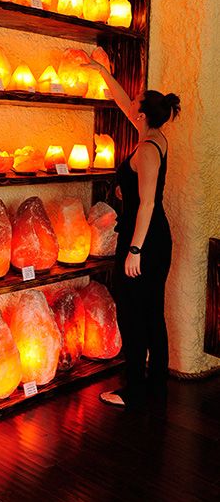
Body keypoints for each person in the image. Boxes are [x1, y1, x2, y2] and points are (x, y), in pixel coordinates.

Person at [82, 58, 180, 409]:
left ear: (141, 115)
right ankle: (154, 388)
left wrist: (134, 250)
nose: (130, 102)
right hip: (146, 238)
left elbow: (148, 204)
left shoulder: (149, 151)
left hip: (147, 241)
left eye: (135, 101)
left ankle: (137, 389)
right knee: (149, 311)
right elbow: (123, 100)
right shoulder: (152, 135)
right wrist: (101, 71)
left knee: (138, 313)